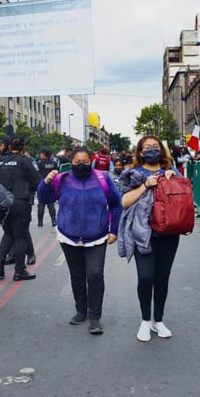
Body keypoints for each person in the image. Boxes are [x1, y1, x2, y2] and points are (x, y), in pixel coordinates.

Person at [37, 147, 122, 335]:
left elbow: (116, 205)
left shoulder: (103, 179)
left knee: (95, 274)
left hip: (97, 236)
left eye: (85, 162)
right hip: (68, 236)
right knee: (77, 275)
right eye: (77, 162)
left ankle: (94, 317)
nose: (81, 165)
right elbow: (43, 197)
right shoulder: (62, 179)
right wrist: (46, 182)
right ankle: (81, 311)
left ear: (91, 161)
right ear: (70, 162)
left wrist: (114, 230)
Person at [118, 135, 181, 342]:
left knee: (162, 279)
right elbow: (125, 202)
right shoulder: (133, 173)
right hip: (142, 234)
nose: (152, 150)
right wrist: (146, 185)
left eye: (156, 146)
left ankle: (158, 320)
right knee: (146, 277)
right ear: (140, 152)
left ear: (161, 150)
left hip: (168, 233)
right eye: (147, 147)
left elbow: (185, 199)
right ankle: (145, 321)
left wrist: (174, 182)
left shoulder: (172, 171)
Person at [0, 135, 41, 280]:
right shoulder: (25, 161)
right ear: (23, 147)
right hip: (20, 201)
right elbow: (37, 181)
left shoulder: (1, 161)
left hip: (4, 203)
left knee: (8, 234)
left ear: (9, 147)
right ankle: (19, 270)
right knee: (20, 237)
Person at [35, 149, 58, 227]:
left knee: (41, 203)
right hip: (52, 185)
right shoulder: (54, 163)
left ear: (43, 154)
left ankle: (40, 222)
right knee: (51, 203)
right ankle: (54, 221)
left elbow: (36, 174)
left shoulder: (39, 164)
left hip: (42, 185)